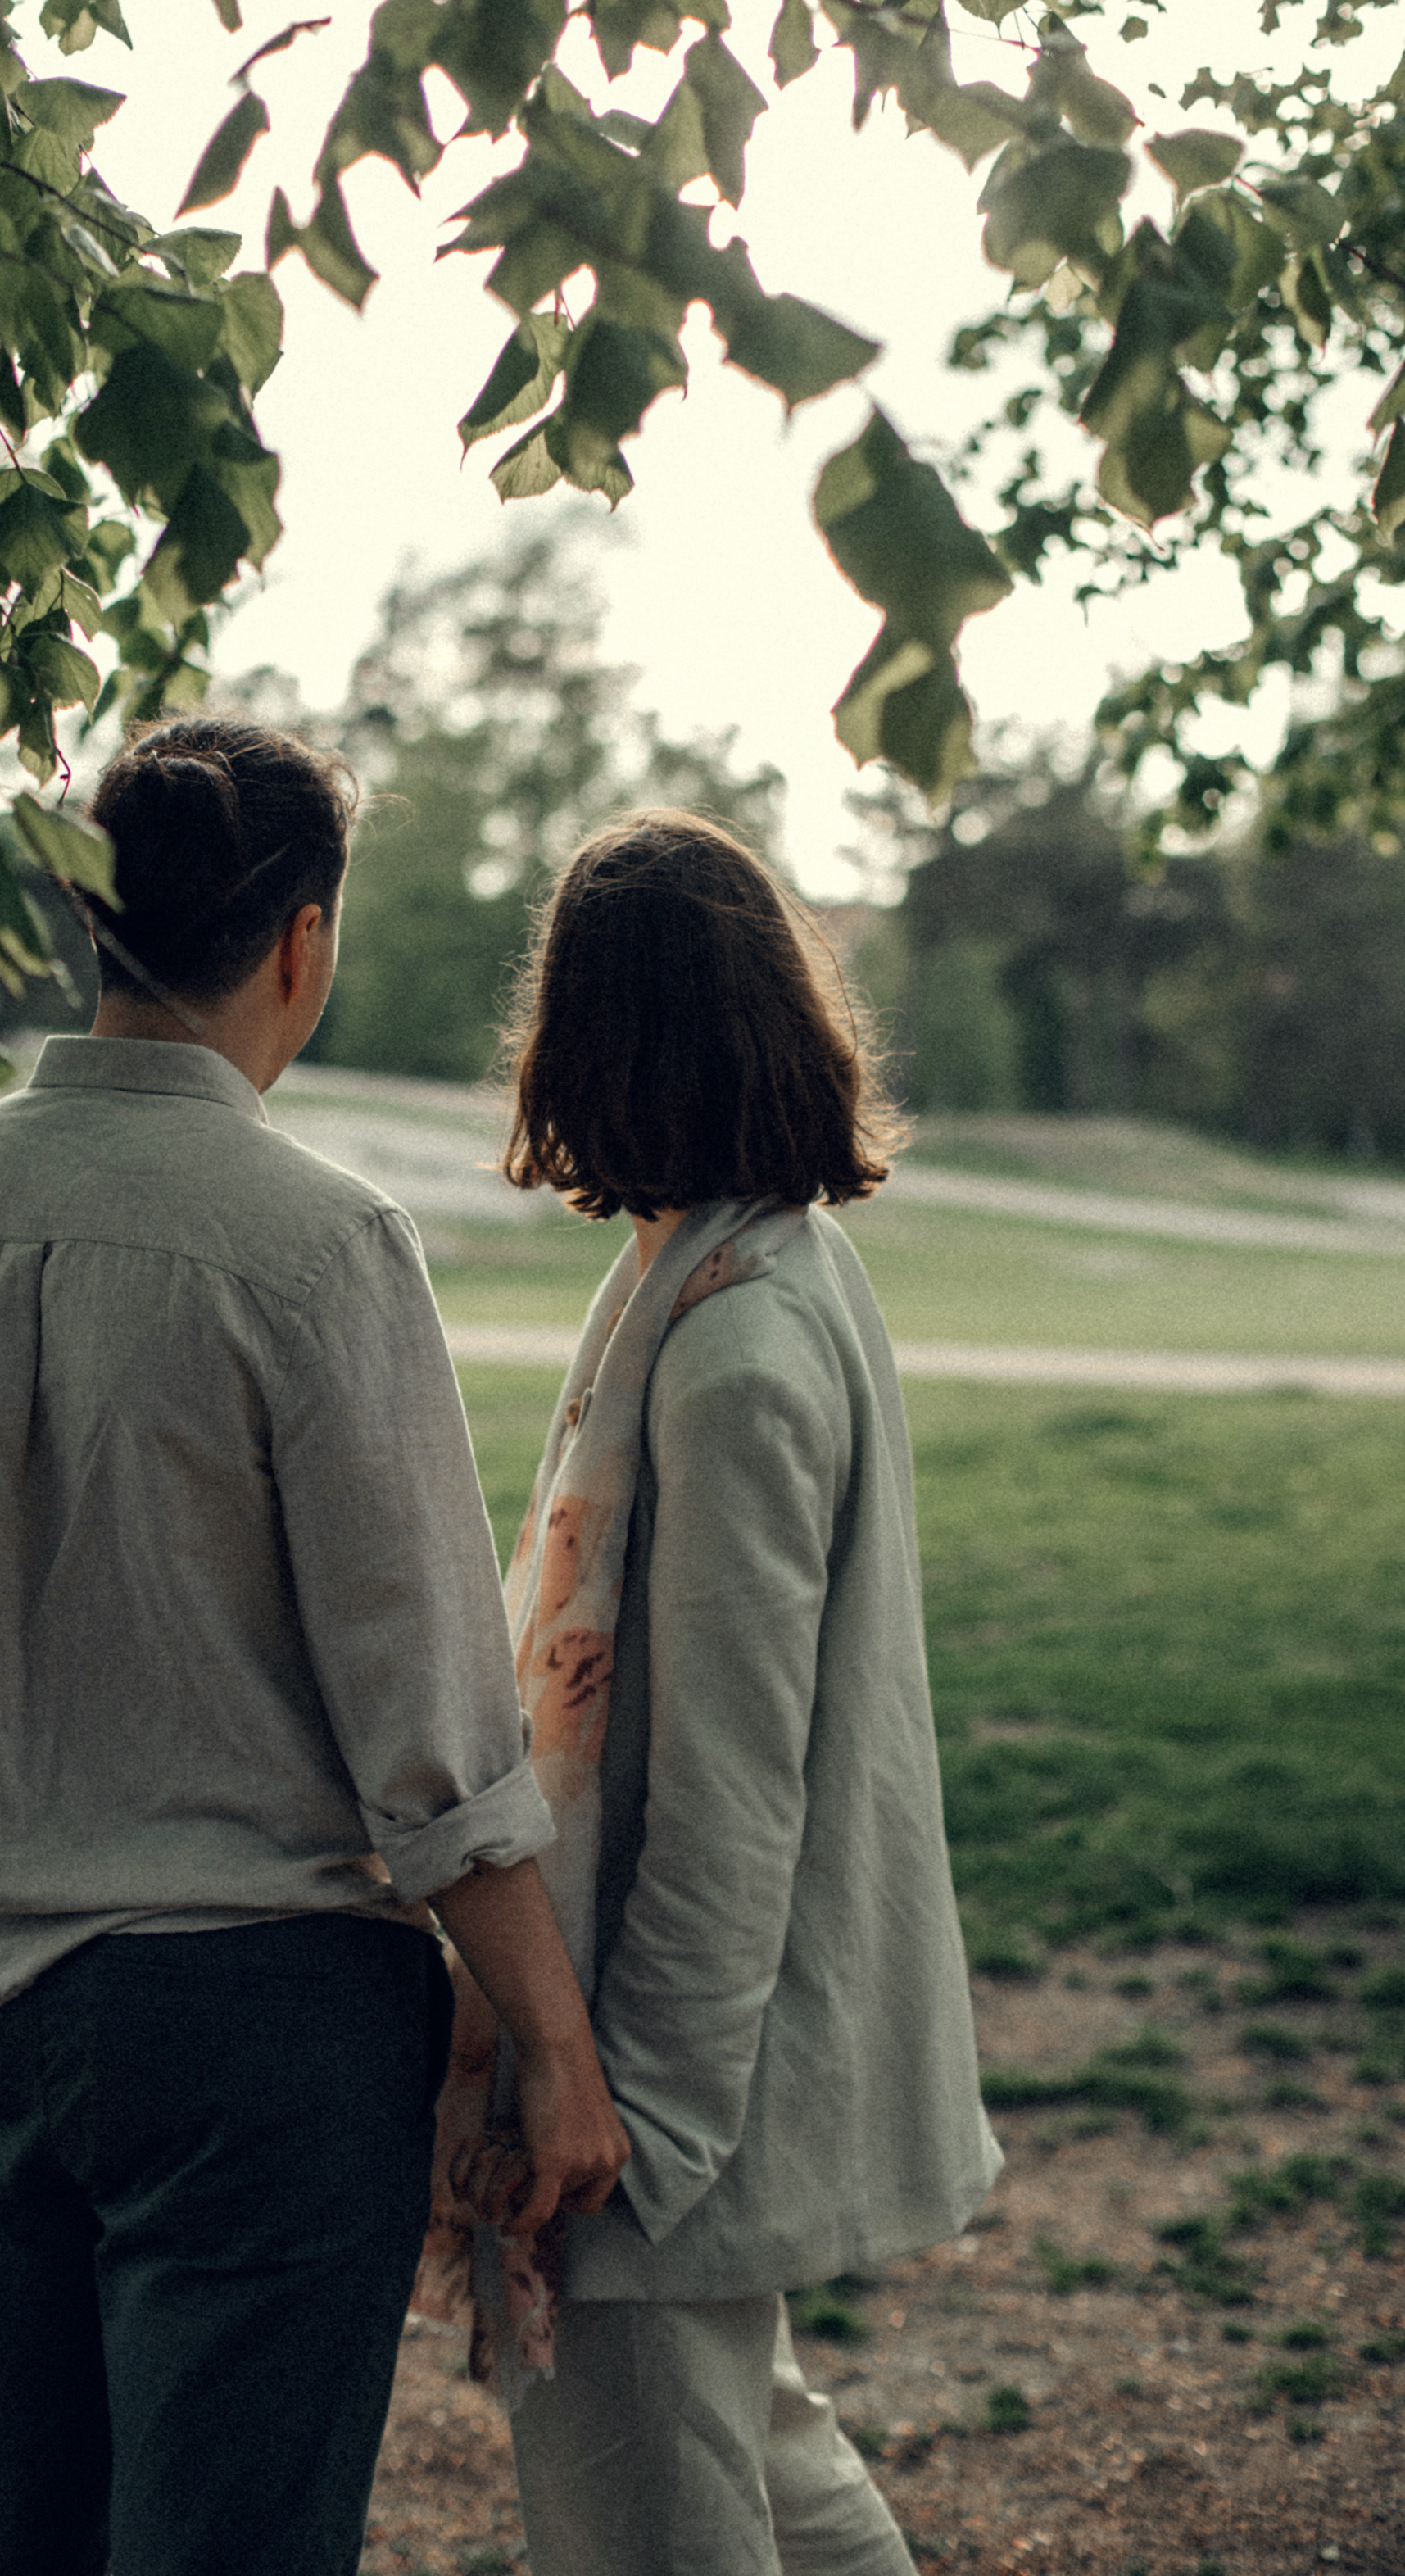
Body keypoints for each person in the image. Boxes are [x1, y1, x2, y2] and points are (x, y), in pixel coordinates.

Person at [0, 717, 627, 2576]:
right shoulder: (317, 1246)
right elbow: (429, 1728)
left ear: (91, 920)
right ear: (303, 942)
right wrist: (555, 2047)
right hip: (262, 2032)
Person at [428, 808, 1000, 2576]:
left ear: (596, 1042)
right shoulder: (732, 1269)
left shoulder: (737, 1344)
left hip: (666, 2078)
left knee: (654, 2518)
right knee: (764, 2462)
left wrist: (632, 2118)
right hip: (673, 2056)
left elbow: (734, 1790)